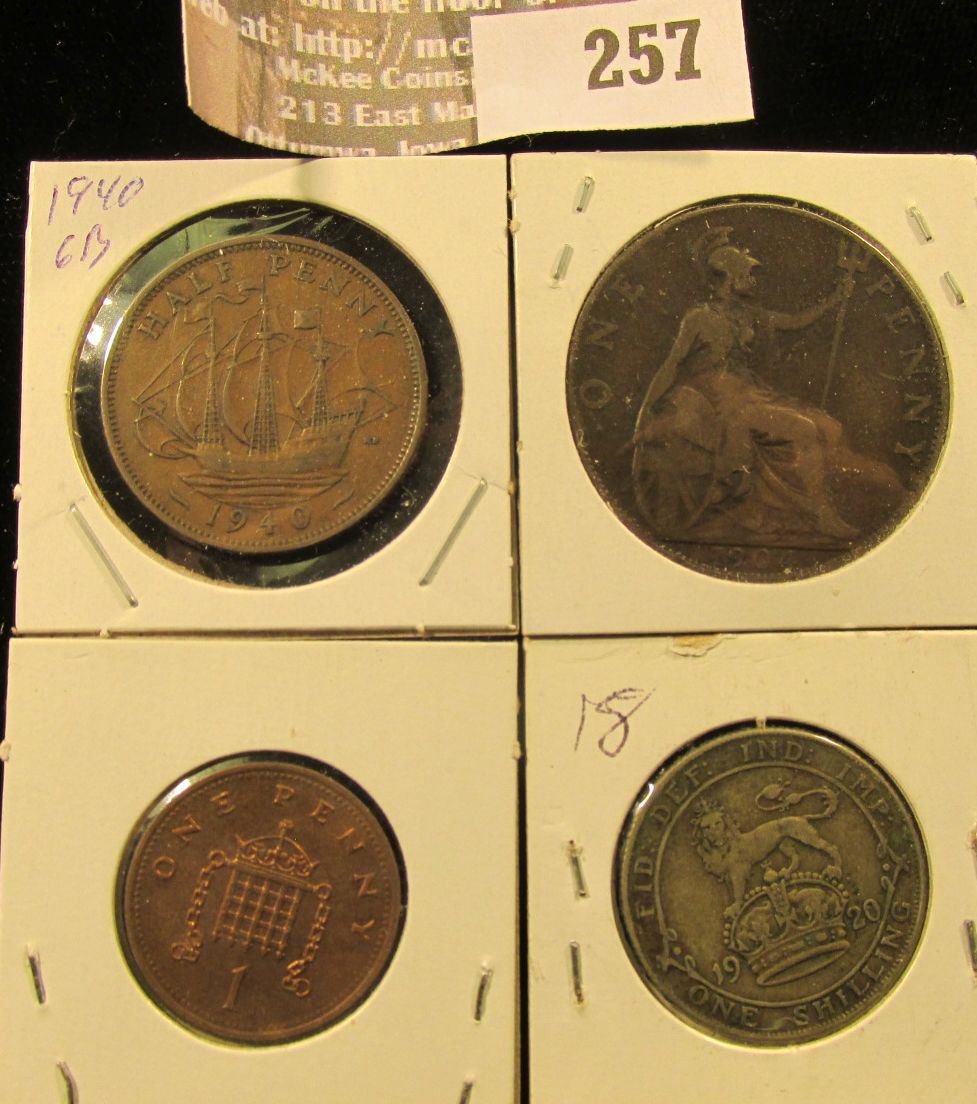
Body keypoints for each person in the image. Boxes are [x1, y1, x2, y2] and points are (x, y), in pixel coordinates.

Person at [630, 226, 905, 545]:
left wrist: (835, 301)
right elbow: (672, 364)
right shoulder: (699, 318)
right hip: (717, 400)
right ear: (730, 278)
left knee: (828, 427)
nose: (753, 280)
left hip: (749, 391)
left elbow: (796, 322)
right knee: (803, 430)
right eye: (747, 274)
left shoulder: (750, 315)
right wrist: (647, 409)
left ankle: (790, 508)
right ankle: (818, 514)